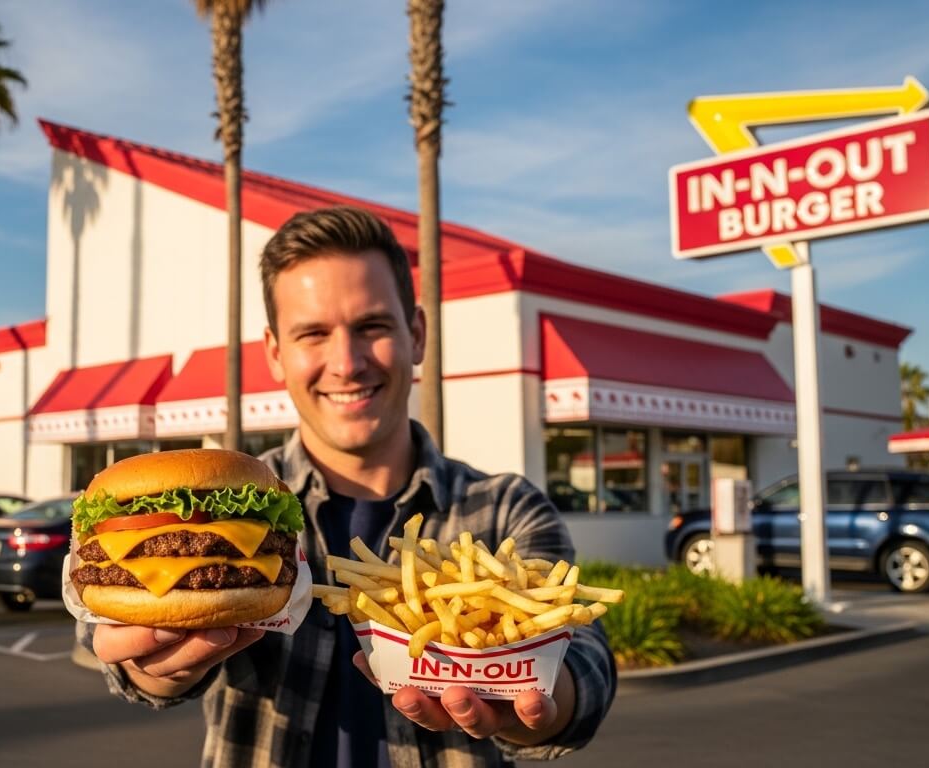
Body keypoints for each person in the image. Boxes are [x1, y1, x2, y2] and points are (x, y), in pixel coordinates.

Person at [83, 206, 615, 767]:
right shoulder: (245, 496)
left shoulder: (505, 508)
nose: (347, 362)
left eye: (372, 327)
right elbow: (104, 640)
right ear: (274, 354)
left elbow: (587, 656)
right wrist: (152, 669)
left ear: (416, 334)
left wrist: (544, 705)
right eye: (313, 334)